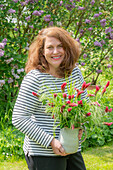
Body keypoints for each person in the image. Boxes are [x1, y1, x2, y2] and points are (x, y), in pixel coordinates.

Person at [12, 27, 87, 170]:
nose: (55, 52)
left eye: (60, 46)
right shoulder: (35, 78)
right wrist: (51, 142)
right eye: (50, 47)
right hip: (43, 152)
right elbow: (19, 118)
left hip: (71, 147)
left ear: (67, 48)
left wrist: (80, 126)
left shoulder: (74, 72)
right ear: (42, 51)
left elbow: (83, 104)